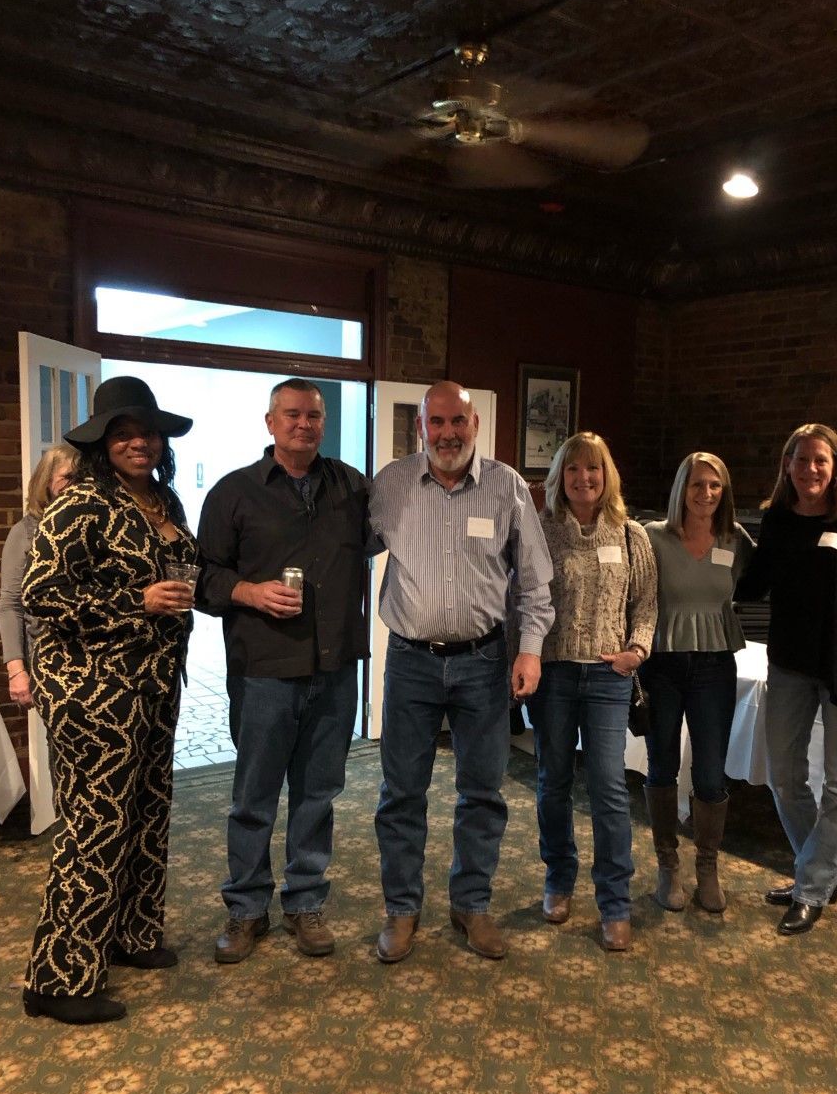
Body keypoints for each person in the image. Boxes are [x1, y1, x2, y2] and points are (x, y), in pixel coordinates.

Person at [22, 376, 195, 1025]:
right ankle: (58, 979)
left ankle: (132, 934)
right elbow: (40, 596)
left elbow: (182, 572)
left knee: (148, 815)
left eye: (146, 431)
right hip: (94, 693)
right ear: (102, 442)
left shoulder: (164, 499)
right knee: (94, 829)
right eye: (123, 432)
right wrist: (136, 602)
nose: (137, 441)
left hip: (153, 688)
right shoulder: (80, 504)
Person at [370, 380, 553, 963]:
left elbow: (535, 582)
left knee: (482, 791)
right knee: (401, 792)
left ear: (475, 425)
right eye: (437, 423)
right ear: (421, 427)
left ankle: (471, 903)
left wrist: (529, 650)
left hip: (482, 663)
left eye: (458, 422)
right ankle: (402, 908)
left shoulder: (507, 489)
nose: (448, 433)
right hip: (411, 662)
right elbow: (339, 550)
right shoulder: (392, 486)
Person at [196, 378, 373, 965]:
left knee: (319, 793)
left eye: (314, 417)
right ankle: (246, 909)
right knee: (254, 796)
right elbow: (201, 577)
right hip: (264, 668)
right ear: (269, 423)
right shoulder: (233, 493)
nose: (304, 425)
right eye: (292, 415)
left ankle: (305, 901)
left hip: (335, 667)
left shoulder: (352, 487)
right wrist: (248, 590)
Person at [737, 423, 837, 935]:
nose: (811, 469)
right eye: (801, 459)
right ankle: (820, 870)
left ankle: (811, 888)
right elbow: (754, 583)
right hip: (789, 667)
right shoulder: (779, 519)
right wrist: (713, 536)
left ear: (836, 466)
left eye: (820, 461)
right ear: (786, 465)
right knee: (784, 775)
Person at [528, 432, 657, 951]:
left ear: (608, 477)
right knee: (553, 781)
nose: (584, 479)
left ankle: (614, 902)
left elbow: (647, 604)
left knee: (607, 787)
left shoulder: (631, 535)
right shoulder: (539, 531)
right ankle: (559, 877)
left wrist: (637, 651)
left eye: (594, 470)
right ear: (559, 477)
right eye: (574, 470)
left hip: (608, 678)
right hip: (555, 675)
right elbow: (523, 595)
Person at [641, 452, 754, 913]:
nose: (705, 494)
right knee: (662, 764)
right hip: (662, 664)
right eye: (696, 485)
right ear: (680, 488)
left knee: (710, 771)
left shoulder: (735, 539)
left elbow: (748, 585)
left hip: (713, 665)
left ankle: (707, 865)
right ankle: (668, 865)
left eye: (714, 486)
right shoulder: (652, 537)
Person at [0, 444, 78, 711]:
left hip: (92, 665)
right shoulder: (25, 531)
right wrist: (16, 671)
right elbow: (10, 605)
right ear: (46, 482)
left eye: (83, 479)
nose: (76, 486)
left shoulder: (89, 527)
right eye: (68, 477)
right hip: (48, 665)